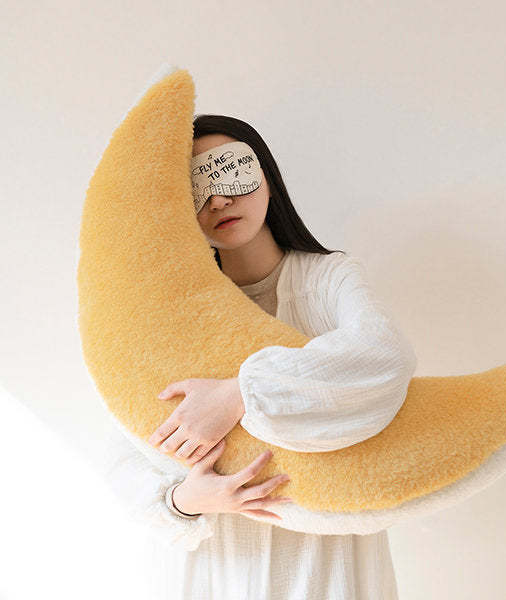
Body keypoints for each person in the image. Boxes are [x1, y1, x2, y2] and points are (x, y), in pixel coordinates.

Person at [101, 114, 417, 599]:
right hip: (219, 558)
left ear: (267, 174)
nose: (218, 199)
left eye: (230, 171)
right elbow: (124, 445)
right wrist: (184, 501)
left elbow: (382, 357)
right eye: (195, 187)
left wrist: (240, 394)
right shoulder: (170, 311)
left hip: (325, 555)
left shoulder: (329, 280)